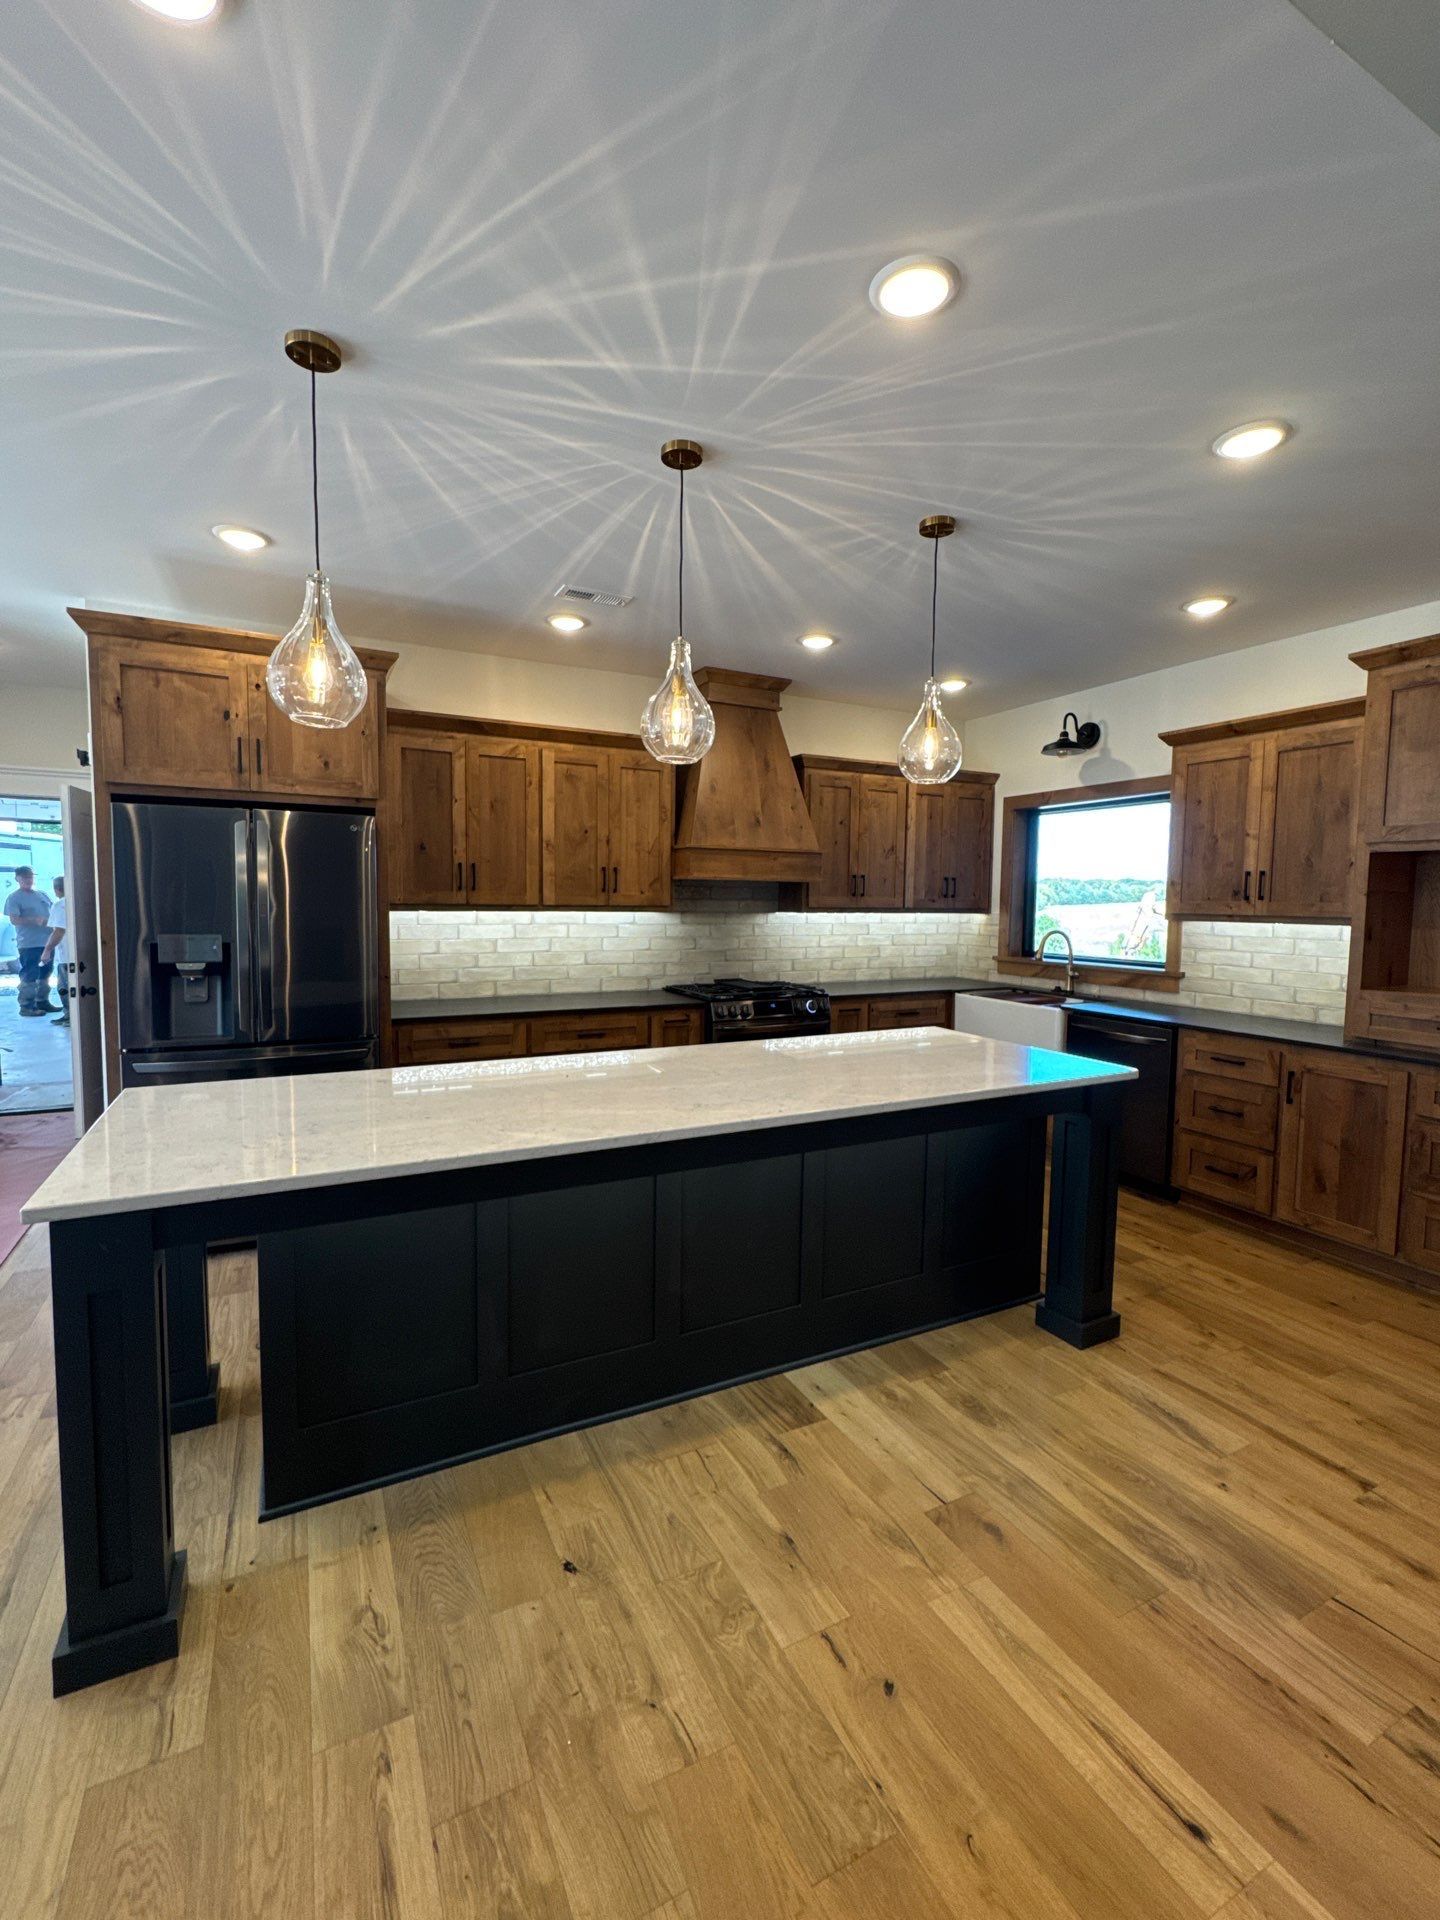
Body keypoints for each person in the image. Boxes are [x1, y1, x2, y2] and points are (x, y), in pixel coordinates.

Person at [4, 865, 58, 1016]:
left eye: (31, 876)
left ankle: (42, 1002)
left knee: (45, 973)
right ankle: (27, 1006)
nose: (29, 880)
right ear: (17, 879)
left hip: (47, 942)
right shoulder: (14, 898)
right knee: (30, 974)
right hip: (29, 944)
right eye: (25, 877)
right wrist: (34, 920)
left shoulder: (42, 894)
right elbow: (14, 920)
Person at [41, 874, 69, 1025]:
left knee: (64, 987)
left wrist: (47, 950)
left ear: (57, 889)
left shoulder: (60, 905)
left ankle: (70, 1016)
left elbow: (58, 931)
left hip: (67, 955)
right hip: (81, 953)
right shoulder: (81, 900)